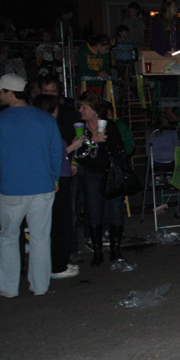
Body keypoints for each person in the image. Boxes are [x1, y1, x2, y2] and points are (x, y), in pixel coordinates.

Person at [0, 74, 62, 297]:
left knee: (8, 237)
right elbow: (57, 154)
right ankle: (40, 286)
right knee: (40, 237)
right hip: (43, 187)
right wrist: (54, 179)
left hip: (11, 189)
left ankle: (8, 288)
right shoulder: (45, 119)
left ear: (10, 92)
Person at [32, 94, 84, 279]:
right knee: (60, 224)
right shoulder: (46, 127)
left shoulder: (41, 126)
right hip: (56, 180)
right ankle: (57, 266)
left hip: (56, 177)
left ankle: (54, 264)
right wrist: (73, 147)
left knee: (54, 224)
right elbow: (51, 154)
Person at [74, 91, 128, 267]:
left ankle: (115, 250)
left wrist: (101, 139)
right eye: (80, 107)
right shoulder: (80, 128)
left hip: (111, 174)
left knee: (115, 212)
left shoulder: (109, 125)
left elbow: (120, 150)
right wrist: (91, 140)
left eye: (85, 107)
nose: (81, 110)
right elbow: (79, 155)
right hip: (91, 175)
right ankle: (97, 252)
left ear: (95, 110)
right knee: (94, 212)